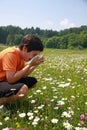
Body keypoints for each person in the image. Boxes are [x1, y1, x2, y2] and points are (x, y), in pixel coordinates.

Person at [0, 34, 44, 104]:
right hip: (2, 81)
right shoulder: (11, 54)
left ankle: (9, 99)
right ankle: (3, 102)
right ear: (25, 48)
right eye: (34, 55)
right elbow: (11, 79)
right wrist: (30, 65)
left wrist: (35, 65)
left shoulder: (21, 56)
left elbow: (23, 74)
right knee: (23, 89)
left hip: (4, 81)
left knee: (32, 82)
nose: (34, 57)